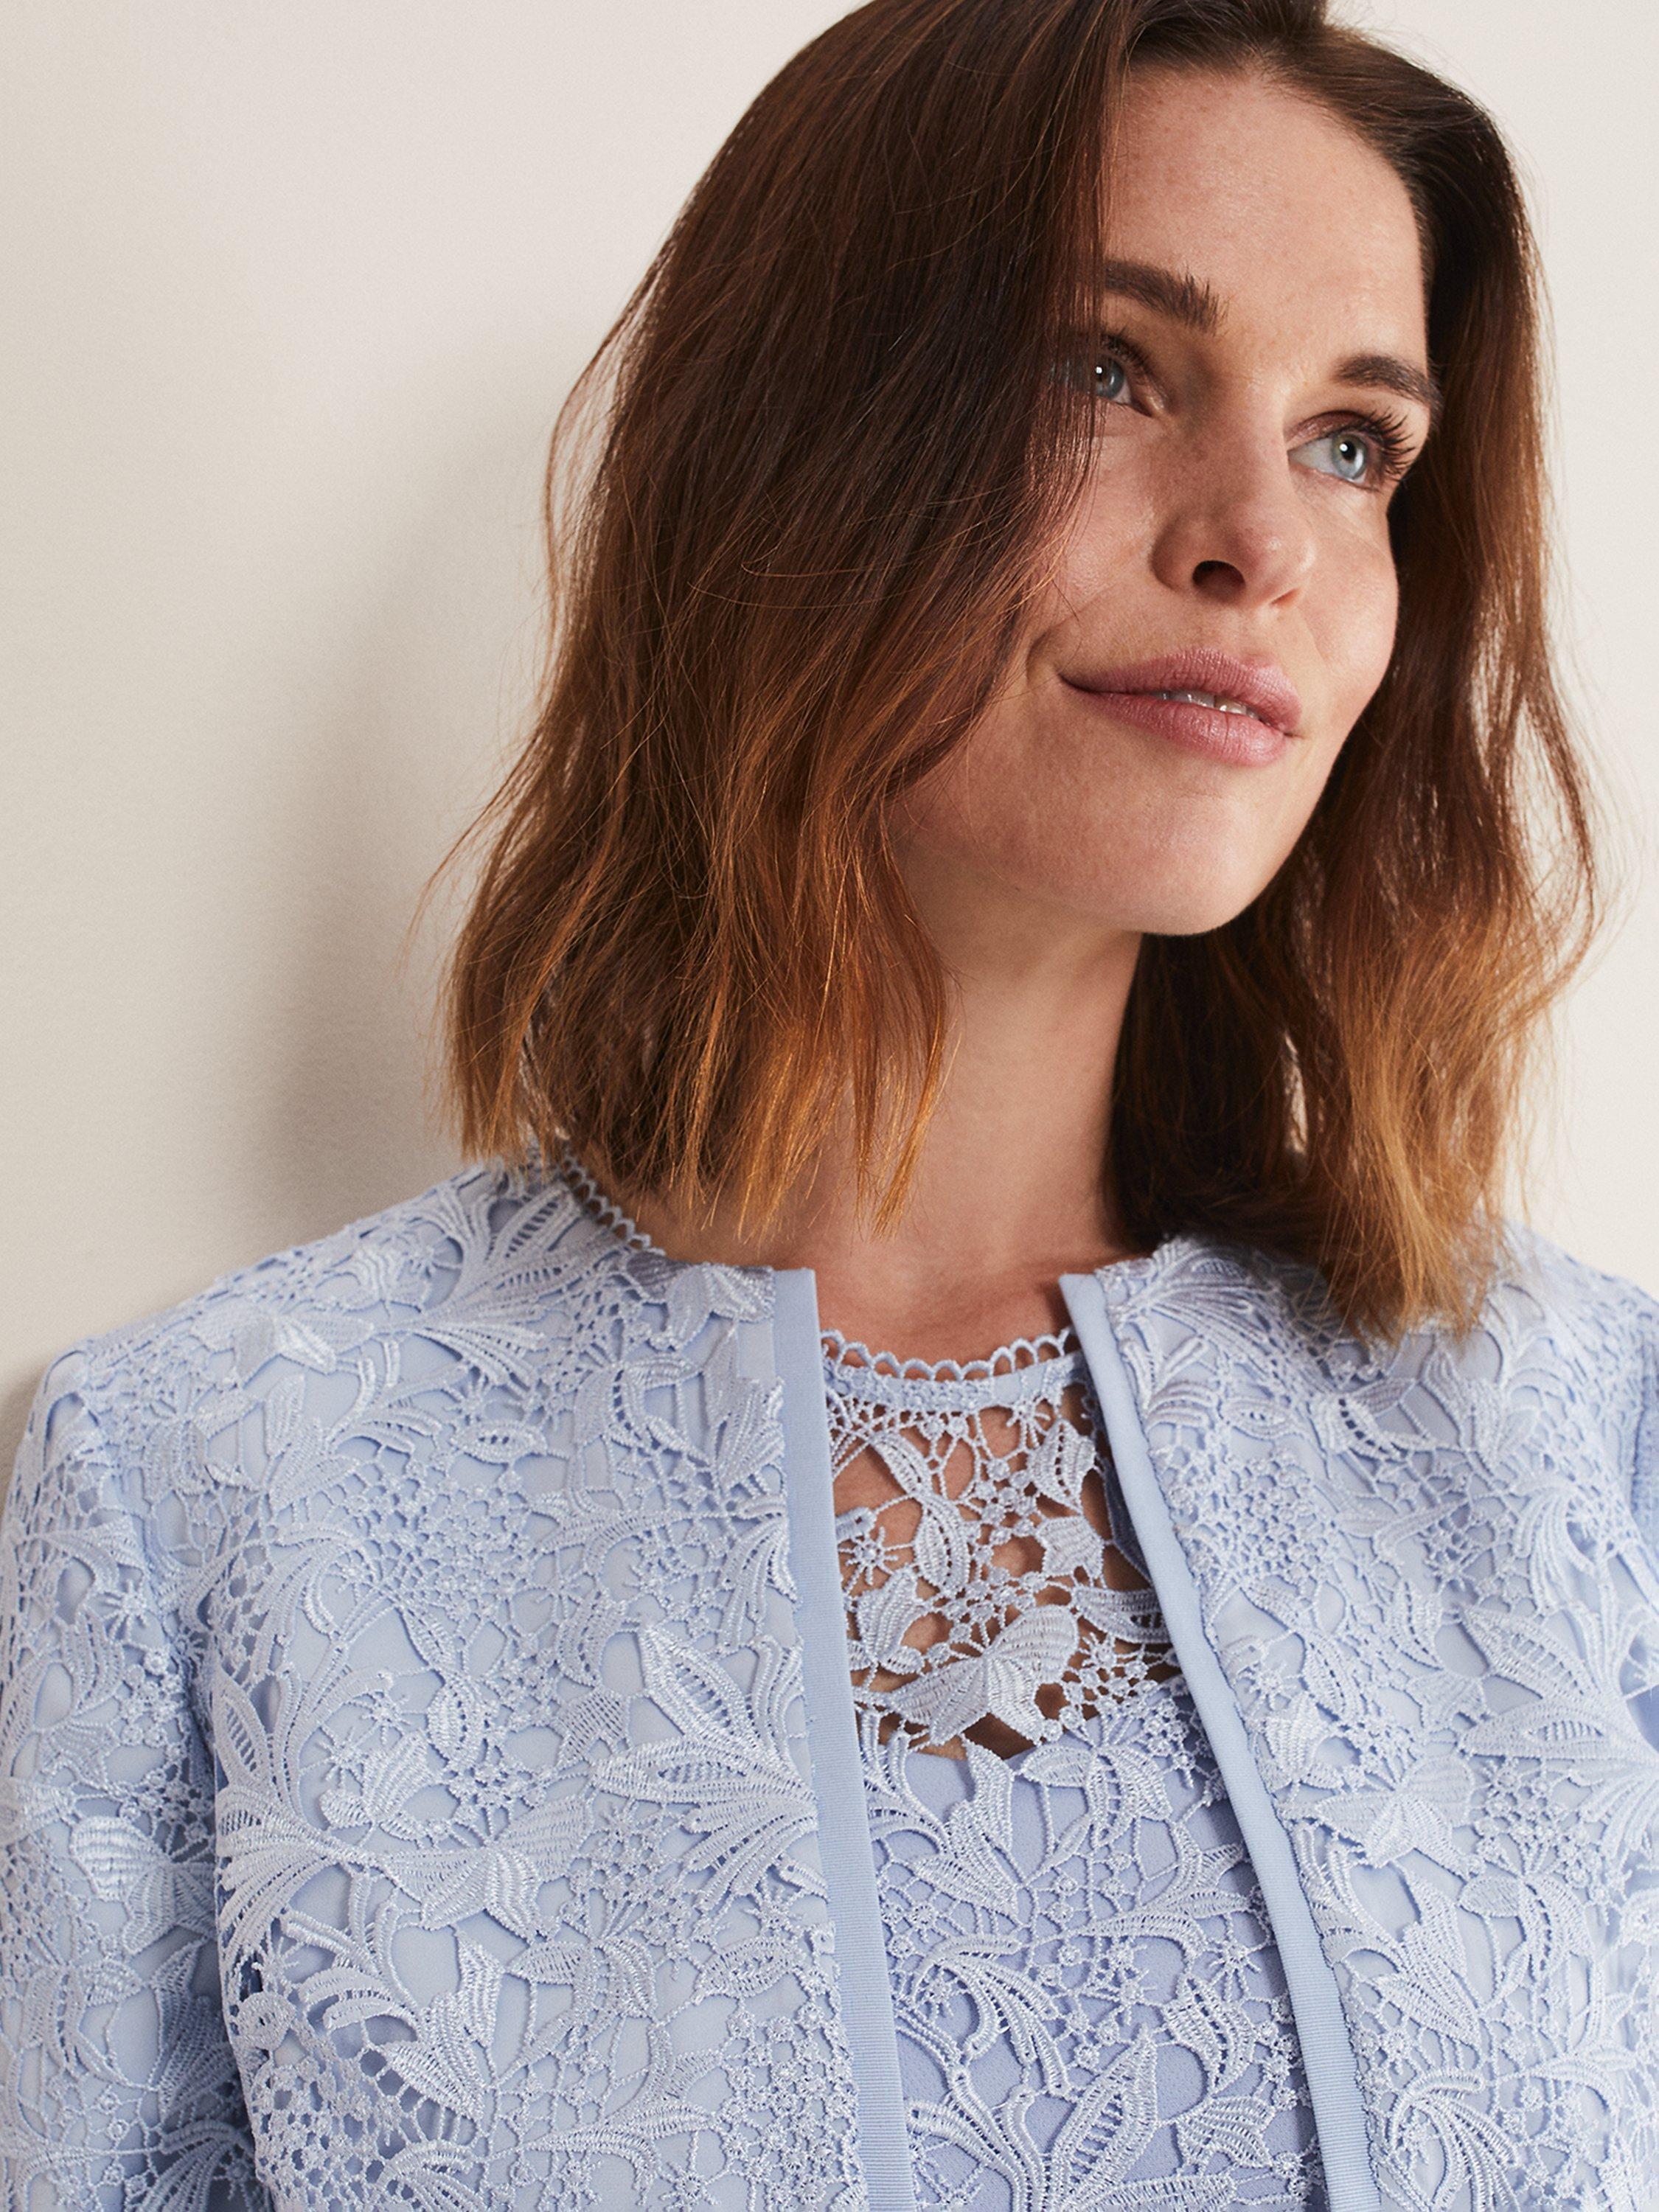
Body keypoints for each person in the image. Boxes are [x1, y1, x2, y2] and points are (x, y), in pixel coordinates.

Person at [3, 0, 1656, 2205]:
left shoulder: (1585, 1455)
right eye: (1107, 370)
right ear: (798, 436)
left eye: (1356, 442)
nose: (1261, 536)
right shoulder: (213, 1492)